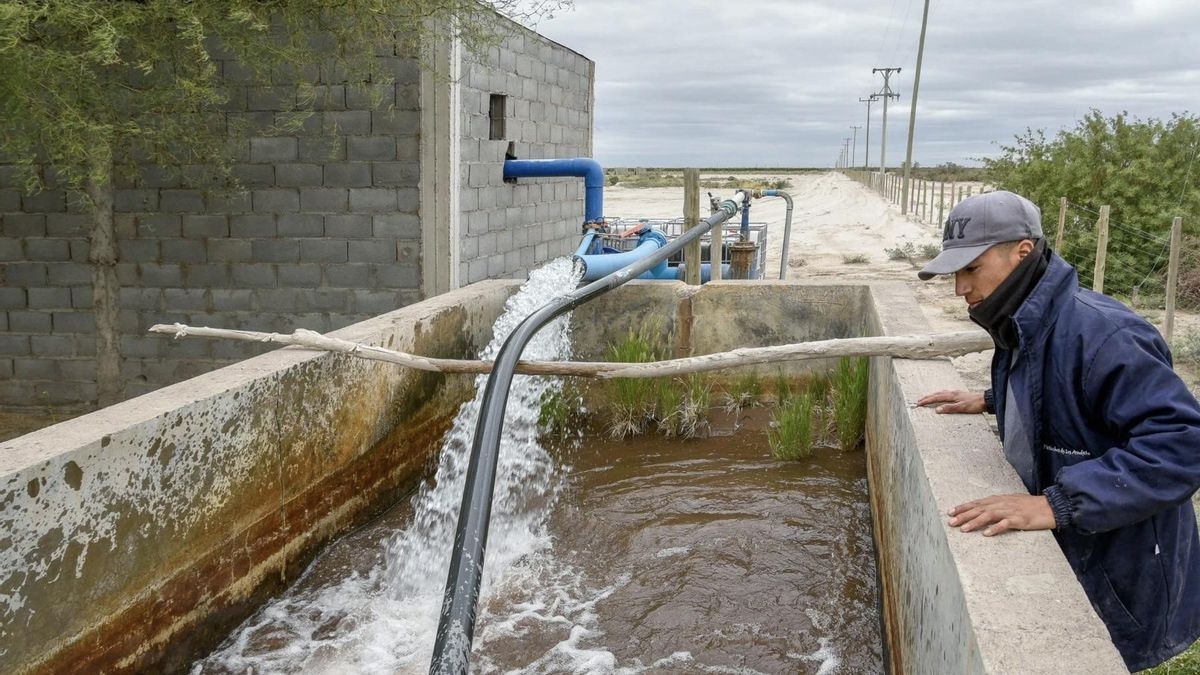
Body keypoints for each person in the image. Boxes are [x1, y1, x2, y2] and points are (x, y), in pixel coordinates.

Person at [915, 190, 1200, 671]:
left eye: (971, 269)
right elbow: (1067, 394)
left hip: (1123, 562)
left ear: (1021, 252)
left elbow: (1181, 445)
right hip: (1088, 544)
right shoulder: (1022, 316)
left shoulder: (1104, 334)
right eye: (955, 274)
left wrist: (1057, 503)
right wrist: (991, 399)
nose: (960, 289)